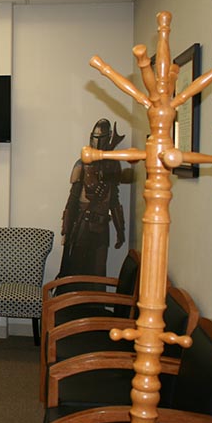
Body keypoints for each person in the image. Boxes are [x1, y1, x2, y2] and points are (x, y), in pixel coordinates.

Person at [56, 119, 125, 293]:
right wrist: (66, 228)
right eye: (95, 137)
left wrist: (120, 230)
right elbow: (73, 199)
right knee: (77, 272)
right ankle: (75, 312)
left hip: (102, 228)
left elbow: (114, 200)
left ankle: (95, 312)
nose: (97, 140)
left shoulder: (113, 164)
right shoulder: (82, 164)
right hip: (82, 226)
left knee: (98, 274)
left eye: (101, 137)